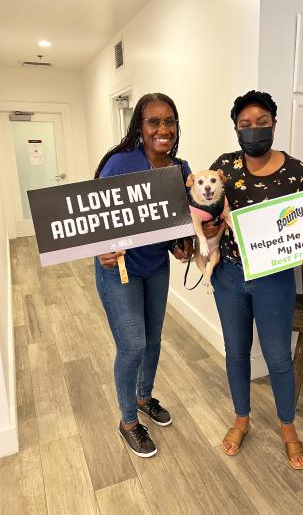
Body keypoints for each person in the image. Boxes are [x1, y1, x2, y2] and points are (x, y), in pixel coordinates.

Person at [206, 90, 303, 469]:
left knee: (277, 357)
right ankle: (242, 419)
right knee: (236, 352)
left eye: (261, 123)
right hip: (229, 274)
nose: (254, 130)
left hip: (274, 279)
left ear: (274, 124)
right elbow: (204, 208)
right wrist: (206, 228)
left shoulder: (295, 170)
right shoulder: (224, 167)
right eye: (245, 125)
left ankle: (288, 427)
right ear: (236, 129)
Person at [94, 93, 193, 458]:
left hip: (155, 267)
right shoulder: (119, 165)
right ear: (140, 126)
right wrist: (100, 249)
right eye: (154, 122)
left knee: (153, 340)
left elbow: (172, 227)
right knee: (132, 345)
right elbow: (94, 219)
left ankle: (142, 396)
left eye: (169, 121)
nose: (162, 129)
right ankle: (127, 420)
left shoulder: (180, 170)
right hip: (119, 269)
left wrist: (181, 246)